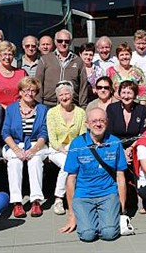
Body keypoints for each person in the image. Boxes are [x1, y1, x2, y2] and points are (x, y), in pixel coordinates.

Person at [58, 107, 127, 242]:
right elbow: (71, 179)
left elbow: (120, 176)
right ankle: (93, 218)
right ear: (87, 124)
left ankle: (104, 217)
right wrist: (72, 214)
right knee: (87, 235)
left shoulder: (115, 142)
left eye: (101, 120)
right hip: (83, 195)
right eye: (94, 121)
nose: (98, 124)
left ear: (107, 122)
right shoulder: (77, 143)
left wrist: (122, 210)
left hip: (108, 193)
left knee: (109, 233)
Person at [1, 77, 49, 218]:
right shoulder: (11, 109)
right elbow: (5, 132)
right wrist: (16, 150)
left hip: (36, 143)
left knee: (35, 160)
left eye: (33, 91)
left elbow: (44, 133)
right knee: (15, 161)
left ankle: (35, 201)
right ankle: (17, 202)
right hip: (15, 143)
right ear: (20, 92)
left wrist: (33, 150)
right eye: (26, 90)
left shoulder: (42, 109)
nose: (30, 93)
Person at [106, 81, 146, 215]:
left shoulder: (142, 110)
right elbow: (110, 133)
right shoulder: (111, 109)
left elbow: (143, 133)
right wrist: (122, 151)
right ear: (119, 94)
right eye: (123, 92)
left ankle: (142, 197)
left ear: (135, 94)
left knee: (141, 157)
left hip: (135, 145)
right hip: (116, 145)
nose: (126, 95)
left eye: (129, 92)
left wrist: (130, 149)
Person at [47, 81, 87, 216]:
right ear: (57, 97)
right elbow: (52, 137)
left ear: (72, 94)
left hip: (74, 148)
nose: (64, 97)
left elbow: (82, 134)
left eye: (67, 94)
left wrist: (73, 149)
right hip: (56, 149)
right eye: (61, 95)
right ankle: (58, 198)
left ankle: (78, 197)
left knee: (74, 163)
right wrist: (62, 149)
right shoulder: (52, 113)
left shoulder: (80, 112)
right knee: (67, 165)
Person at [35, 29, 89, 108]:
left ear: (70, 42)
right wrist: (38, 105)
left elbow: (83, 86)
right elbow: (38, 83)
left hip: (71, 105)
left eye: (66, 41)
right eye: (60, 41)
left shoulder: (78, 61)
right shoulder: (45, 60)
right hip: (48, 105)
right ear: (55, 42)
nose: (63, 43)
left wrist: (83, 106)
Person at [0, 41, 26, 108]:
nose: (7, 57)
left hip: (18, 110)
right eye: (4, 54)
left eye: (10, 54)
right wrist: (4, 107)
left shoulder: (22, 73)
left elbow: (26, 94)